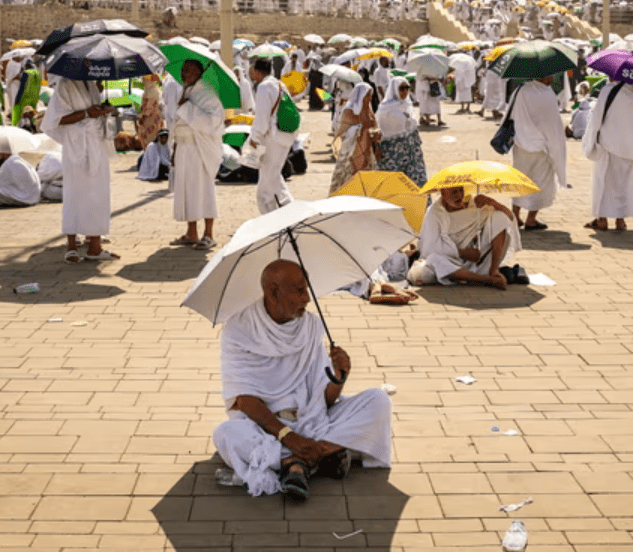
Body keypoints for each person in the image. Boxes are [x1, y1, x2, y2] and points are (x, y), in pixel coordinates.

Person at [212, 259, 392, 499]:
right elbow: (244, 401)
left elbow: (324, 400)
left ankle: (297, 463)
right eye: (299, 290)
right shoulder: (239, 330)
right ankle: (323, 454)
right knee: (227, 434)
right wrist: (290, 437)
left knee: (378, 401)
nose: (307, 298)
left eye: (307, 289)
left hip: (312, 418)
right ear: (273, 291)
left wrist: (339, 378)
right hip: (266, 427)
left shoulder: (310, 326)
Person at [40, 77, 119, 263]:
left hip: (96, 144)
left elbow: (94, 112)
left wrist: (102, 107)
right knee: (74, 193)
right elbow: (55, 120)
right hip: (76, 147)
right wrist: (86, 113)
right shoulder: (65, 85)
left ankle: (94, 246)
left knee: (98, 194)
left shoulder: (91, 83)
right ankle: (72, 245)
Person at [413, 186, 520, 290]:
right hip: (449, 261)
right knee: (433, 259)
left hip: (475, 261)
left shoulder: (473, 205)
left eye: (461, 190)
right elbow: (429, 248)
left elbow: (509, 218)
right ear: (443, 193)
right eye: (454, 192)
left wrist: (492, 203)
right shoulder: (434, 212)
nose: (459, 195)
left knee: (499, 218)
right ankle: (486, 279)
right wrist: (461, 253)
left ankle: (494, 271)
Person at [581, 80, 633, 232]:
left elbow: (597, 116)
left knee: (604, 182)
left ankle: (602, 220)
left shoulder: (608, 90)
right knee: (624, 184)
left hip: (609, 144)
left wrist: (591, 139)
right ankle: (620, 221)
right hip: (630, 147)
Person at [170, 59, 225, 250]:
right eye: (183, 70)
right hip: (184, 148)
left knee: (204, 191)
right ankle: (191, 232)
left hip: (199, 150)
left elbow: (214, 122)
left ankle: (208, 234)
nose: (184, 74)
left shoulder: (207, 93)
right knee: (187, 191)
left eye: (188, 71)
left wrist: (186, 107)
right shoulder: (186, 91)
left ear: (199, 73)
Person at [507, 75, 568, 230]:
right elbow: (552, 125)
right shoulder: (547, 94)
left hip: (521, 144)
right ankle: (531, 219)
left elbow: (511, 114)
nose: (554, 77)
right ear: (544, 76)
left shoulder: (521, 90)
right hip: (541, 147)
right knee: (540, 182)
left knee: (520, 179)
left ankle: (515, 216)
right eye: (551, 74)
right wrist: (556, 149)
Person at [249, 58, 296, 214]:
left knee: (266, 185)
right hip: (285, 137)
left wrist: (254, 139)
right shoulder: (280, 85)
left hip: (273, 138)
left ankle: (274, 218)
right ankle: (288, 212)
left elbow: (262, 120)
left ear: (256, 71)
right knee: (273, 178)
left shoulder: (264, 87)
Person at [376, 76, 427, 186]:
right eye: (401, 88)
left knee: (416, 184)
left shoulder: (407, 105)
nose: (405, 91)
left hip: (412, 153)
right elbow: (379, 131)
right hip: (393, 154)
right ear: (394, 89)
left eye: (407, 88)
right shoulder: (385, 109)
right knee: (394, 185)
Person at [330, 82, 380, 194]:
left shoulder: (369, 112)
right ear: (360, 96)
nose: (369, 99)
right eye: (367, 95)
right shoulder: (348, 112)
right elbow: (340, 135)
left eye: (370, 95)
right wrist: (358, 130)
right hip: (350, 155)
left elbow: (375, 127)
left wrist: (375, 133)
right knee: (346, 185)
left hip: (366, 154)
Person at [136, 74, 164, 147]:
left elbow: (149, 106)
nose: (144, 81)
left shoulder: (151, 91)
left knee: (150, 137)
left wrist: (143, 117)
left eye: (145, 80)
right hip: (154, 117)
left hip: (150, 119)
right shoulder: (152, 90)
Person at [11, 60, 41, 126]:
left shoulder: (26, 73)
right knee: (32, 114)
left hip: (25, 98)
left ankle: (22, 129)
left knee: (23, 115)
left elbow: (22, 87)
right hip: (35, 98)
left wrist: (17, 98)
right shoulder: (38, 74)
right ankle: (33, 128)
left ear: (26, 66)